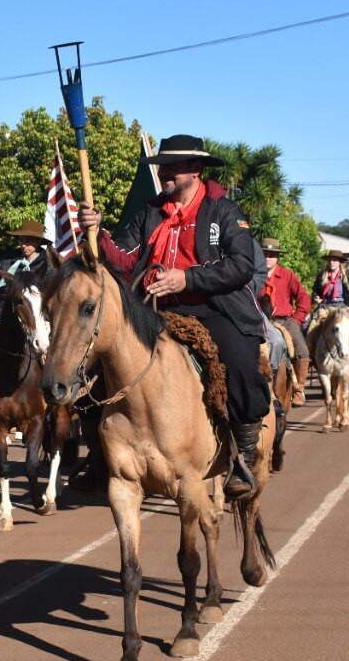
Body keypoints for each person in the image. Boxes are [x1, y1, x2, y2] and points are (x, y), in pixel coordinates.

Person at [76, 134, 269, 500]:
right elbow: (124, 260)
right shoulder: (149, 212)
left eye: (172, 167)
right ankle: (98, 453)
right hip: (153, 309)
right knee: (89, 364)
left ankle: (242, 457)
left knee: (241, 364)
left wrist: (188, 278)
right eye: (162, 167)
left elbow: (242, 265)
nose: (164, 173)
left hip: (215, 308)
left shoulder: (224, 211)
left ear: (195, 170)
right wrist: (97, 232)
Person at [258, 238, 311, 406]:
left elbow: (303, 298)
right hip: (260, 320)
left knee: (302, 349)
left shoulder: (287, 275)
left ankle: (299, 389)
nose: (267, 258)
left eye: (272, 255)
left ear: (277, 257)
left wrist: (297, 318)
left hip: (284, 320)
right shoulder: (252, 274)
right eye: (264, 254)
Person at [311, 248, 349, 363]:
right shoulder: (322, 275)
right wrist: (316, 297)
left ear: (340, 262)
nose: (332, 262)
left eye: (335, 260)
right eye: (330, 260)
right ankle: (309, 354)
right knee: (307, 326)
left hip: (344, 306)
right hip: (325, 306)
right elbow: (315, 291)